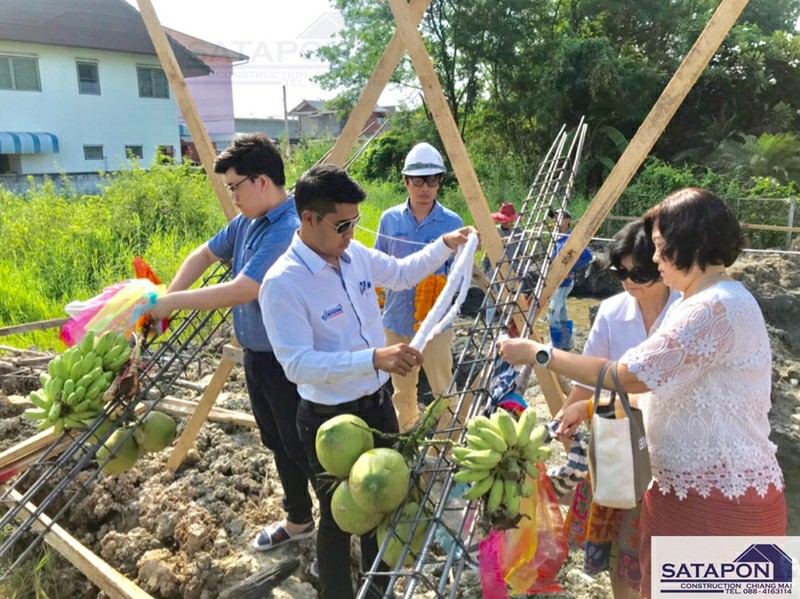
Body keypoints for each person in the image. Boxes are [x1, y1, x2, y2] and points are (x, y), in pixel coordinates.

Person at [499, 188, 786, 598]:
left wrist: (539, 353)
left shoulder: (713, 307)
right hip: (692, 495)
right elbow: (674, 393)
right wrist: (588, 407)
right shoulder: (713, 299)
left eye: (659, 249)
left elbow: (629, 375)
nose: (654, 260)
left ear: (691, 243)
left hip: (717, 503)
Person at [259, 164, 476, 599]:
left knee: (382, 505)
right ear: (308, 220)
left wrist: (444, 245)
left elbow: (399, 271)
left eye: (355, 222)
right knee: (341, 516)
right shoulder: (283, 284)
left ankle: (379, 591)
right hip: (330, 422)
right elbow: (298, 364)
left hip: (376, 406)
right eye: (342, 225)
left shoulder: (354, 254)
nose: (350, 233)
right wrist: (374, 358)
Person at [146, 133, 317, 552]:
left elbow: (243, 289)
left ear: (261, 182)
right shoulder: (246, 224)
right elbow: (202, 255)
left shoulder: (288, 231)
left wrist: (167, 302)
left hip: (287, 361)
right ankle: (299, 520)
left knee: (304, 446)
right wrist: (166, 303)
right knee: (278, 441)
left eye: (235, 187)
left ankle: (335, 527)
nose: (233, 197)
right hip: (258, 356)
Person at [557, 220, 679, 599]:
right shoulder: (611, 312)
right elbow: (588, 375)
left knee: (670, 556)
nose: (630, 282)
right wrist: (564, 417)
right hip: (618, 446)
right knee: (622, 560)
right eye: (620, 272)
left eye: (639, 272)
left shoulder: (687, 312)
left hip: (672, 445)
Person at [374, 142, 464, 432]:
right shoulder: (390, 219)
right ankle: (407, 438)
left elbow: (459, 272)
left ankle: (448, 447)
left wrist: (443, 286)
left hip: (435, 322)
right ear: (405, 181)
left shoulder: (452, 222)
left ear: (440, 181)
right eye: (418, 180)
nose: (425, 187)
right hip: (397, 318)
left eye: (432, 180)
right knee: (402, 389)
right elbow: (378, 263)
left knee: (442, 387)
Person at [547, 207, 593, 350]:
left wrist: (570, 269)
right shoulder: (556, 237)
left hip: (564, 283)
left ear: (567, 221)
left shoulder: (572, 238)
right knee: (561, 313)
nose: (555, 220)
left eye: (558, 217)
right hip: (555, 282)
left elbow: (587, 256)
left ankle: (556, 346)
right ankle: (567, 344)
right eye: (553, 217)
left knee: (552, 314)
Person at [481, 202, 523, 325]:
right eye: (504, 220)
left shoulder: (518, 232)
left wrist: (519, 270)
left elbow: (523, 252)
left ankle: (506, 325)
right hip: (495, 268)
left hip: (512, 269)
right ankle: (489, 324)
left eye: (508, 220)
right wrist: (485, 266)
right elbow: (487, 251)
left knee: (509, 299)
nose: (506, 222)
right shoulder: (495, 232)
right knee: (492, 298)